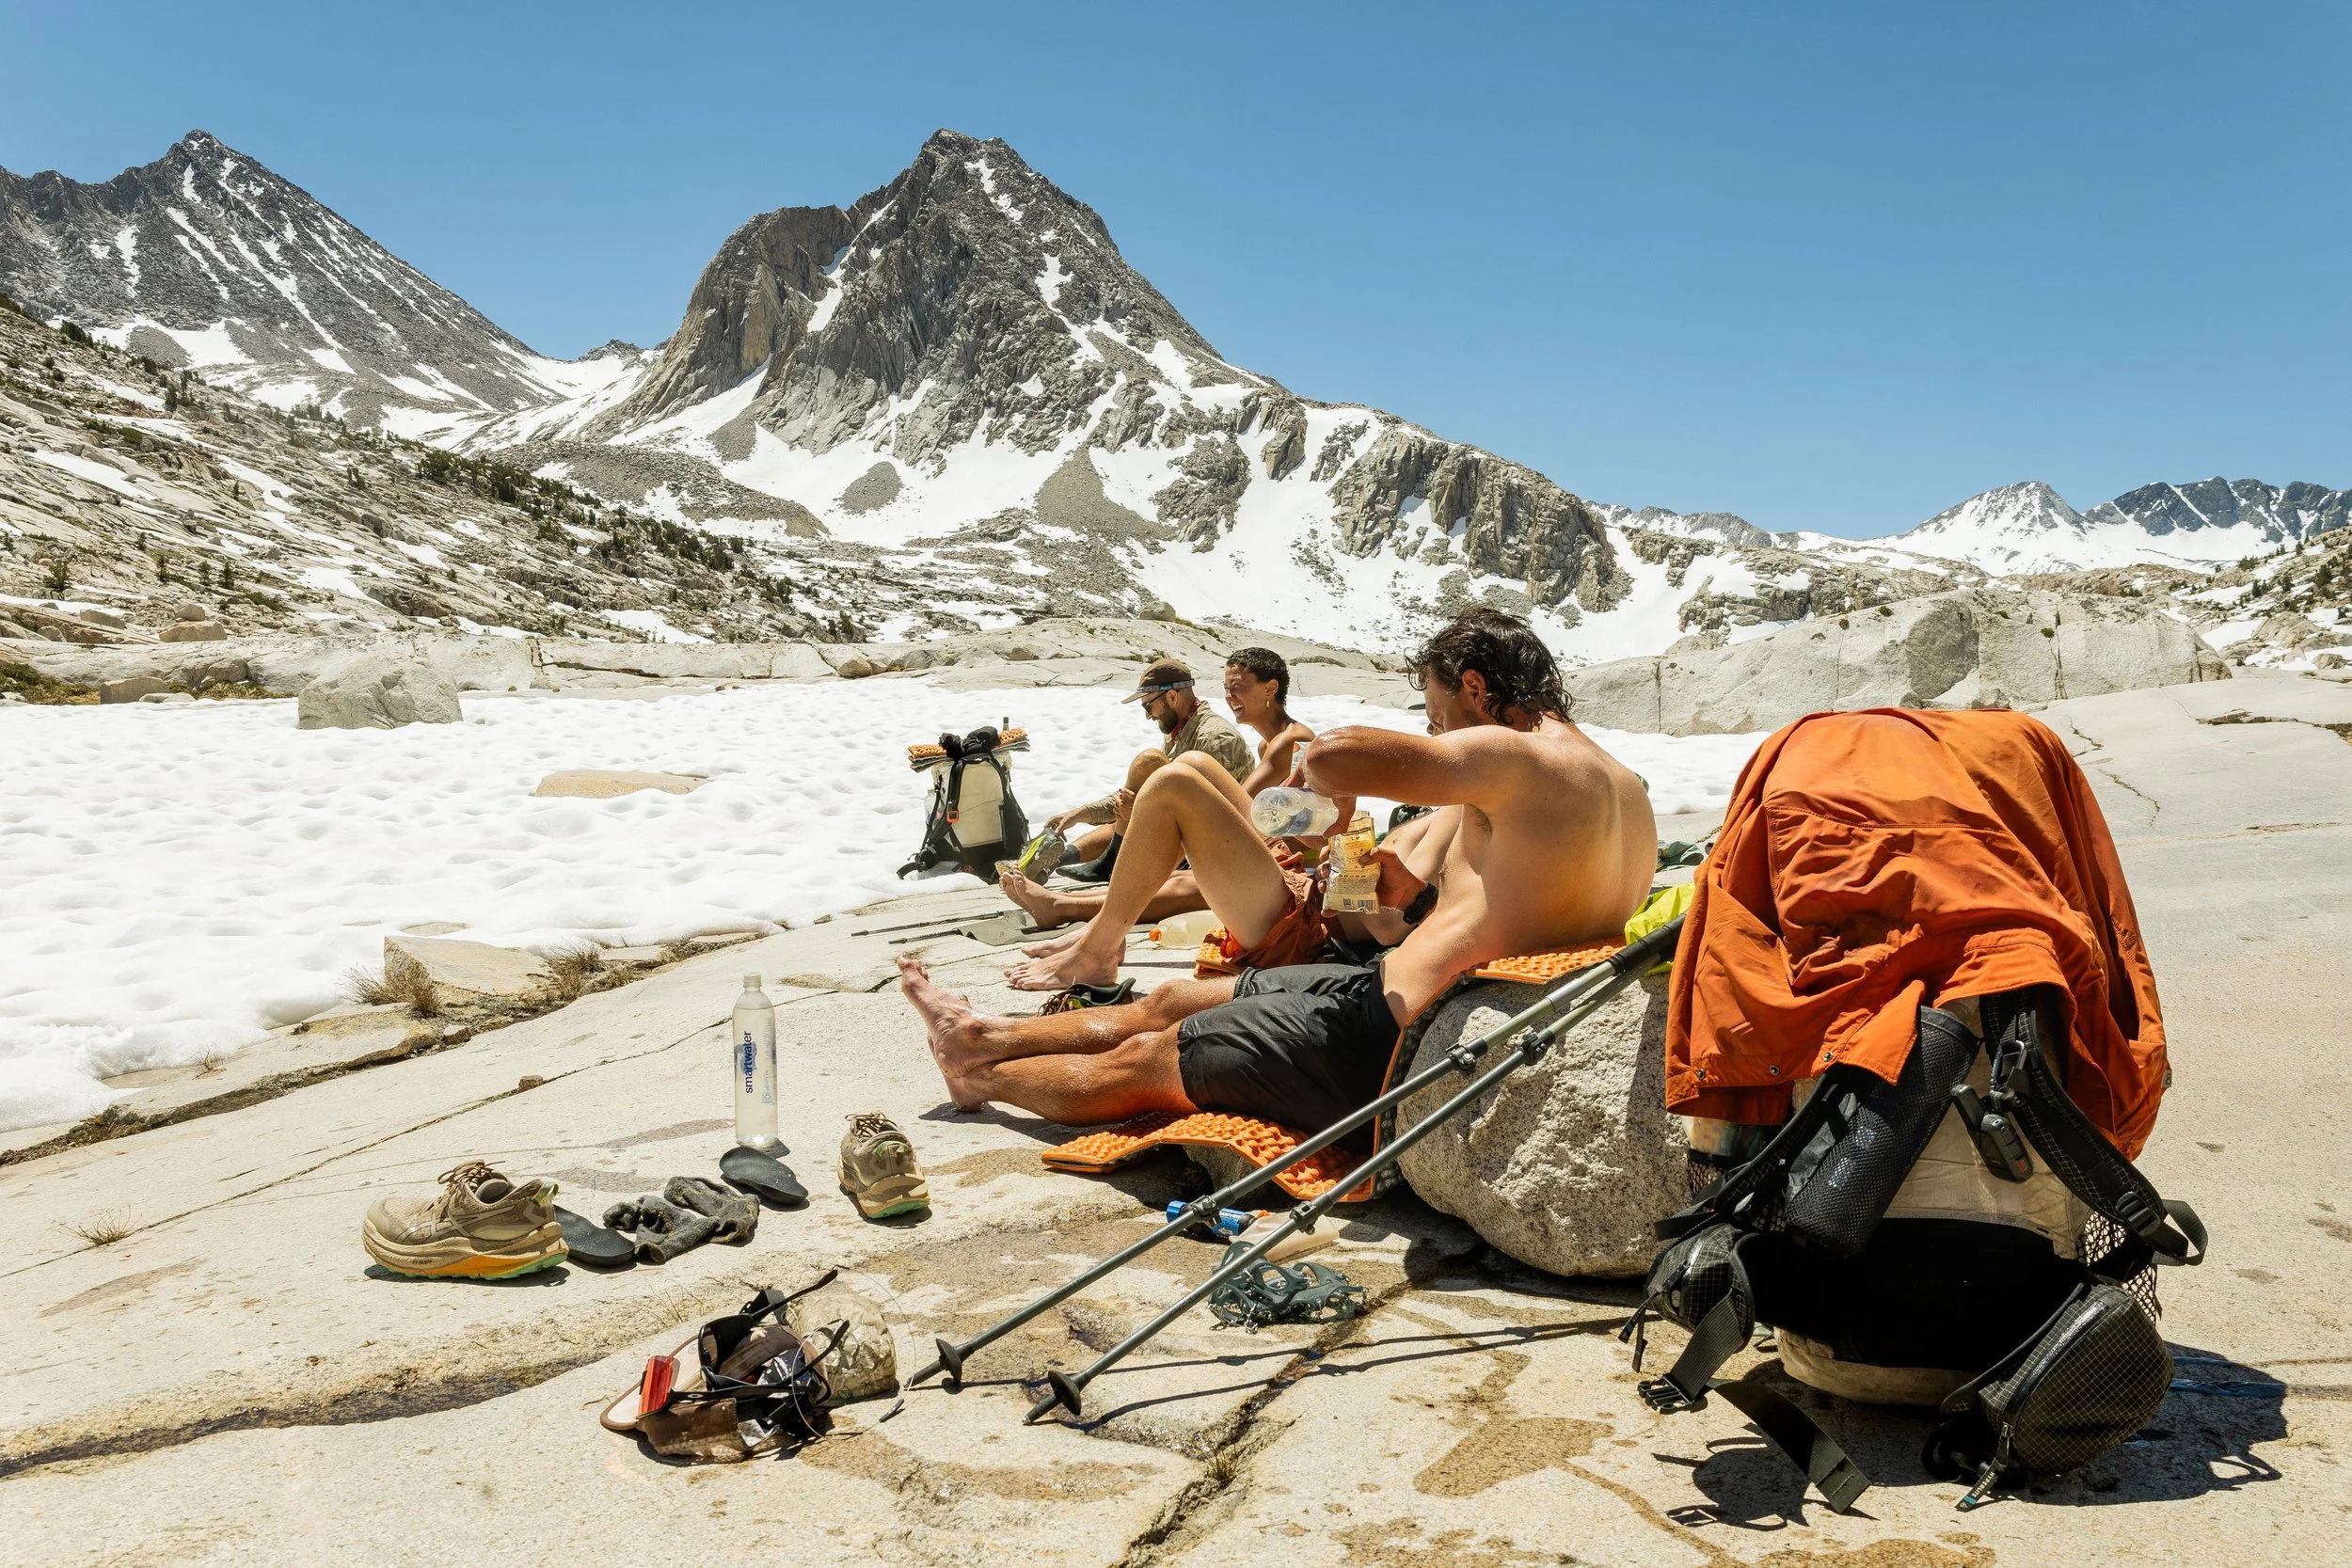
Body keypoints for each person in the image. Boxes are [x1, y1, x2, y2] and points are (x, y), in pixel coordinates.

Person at [898, 608, 1658, 1139]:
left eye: (1435, 716)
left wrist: (1344, 781)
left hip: (1385, 1038)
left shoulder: (1522, 756)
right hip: (1390, 985)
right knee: (1170, 995)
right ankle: (983, 1030)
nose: (1435, 732)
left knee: (1154, 1058)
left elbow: (1330, 757)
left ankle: (978, 1072)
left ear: (1475, 690)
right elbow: (1520, 909)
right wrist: (1413, 894)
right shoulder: (1625, 788)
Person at [998, 647, 1317, 931]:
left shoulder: (1291, 741)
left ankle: (1059, 907)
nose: (1229, 698)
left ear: (1270, 688)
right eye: (1226, 689)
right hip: (1271, 853)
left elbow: (1239, 809)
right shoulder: (1269, 744)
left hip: (1292, 865)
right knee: (1179, 878)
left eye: (1237, 689)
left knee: (1189, 885)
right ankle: (1060, 897)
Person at [1038, 659, 1254, 881]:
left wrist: (1144, 815)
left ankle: (1109, 861)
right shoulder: (1181, 728)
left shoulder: (1215, 738)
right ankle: (1056, 860)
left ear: (1172, 697)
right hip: (1188, 834)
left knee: (1148, 764)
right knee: (1131, 806)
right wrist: (1080, 813)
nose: (1148, 716)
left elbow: (1217, 819)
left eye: (1147, 706)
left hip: (1213, 851)